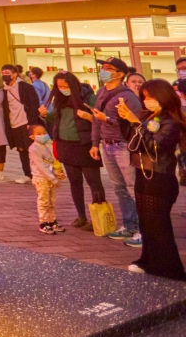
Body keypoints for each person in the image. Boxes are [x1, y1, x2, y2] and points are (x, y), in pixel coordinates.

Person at [117, 79, 186, 280]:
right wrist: (125, 119)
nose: (147, 101)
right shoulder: (147, 116)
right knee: (147, 223)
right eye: (145, 97)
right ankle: (148, 261)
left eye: (151, 97)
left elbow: (156, 146)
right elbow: (133, 141)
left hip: (160, 177)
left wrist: (136, 122)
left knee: (159, 225)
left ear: (163, 97)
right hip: (143, 172)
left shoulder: (172, 121)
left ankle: (170, 270)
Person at [41, 71, 107, 229]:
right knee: (74, 182)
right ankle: (81, 216)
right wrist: (45, 115)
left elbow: (99, 118)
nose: (63, 88)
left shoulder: (87, 96)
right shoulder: (60, 98)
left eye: (65, 86)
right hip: (65, 144)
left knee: (93, 182)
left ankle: (99, 217)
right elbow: (57, 119)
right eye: (59, 86)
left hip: (84, 143)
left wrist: (88, 119)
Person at [90, 58, 145, 242]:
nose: (103, 71)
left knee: (132, 187)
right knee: (119, 188)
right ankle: (129, 226)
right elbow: (96, 119)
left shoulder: (128, 96)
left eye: (108, 69)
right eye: (103, 68)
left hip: (123, 145)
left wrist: (107, 119)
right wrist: (94, 143)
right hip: (107, 145)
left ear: (120, 74)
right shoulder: (102, 91)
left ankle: (144, 230)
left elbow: (136, 124)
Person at [1, 64, 43, 183]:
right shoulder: (4, 89)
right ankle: (27, 174)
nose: (5, 76)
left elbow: (34, 104)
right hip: (13, 124)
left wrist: (31, 122)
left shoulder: (26, 87)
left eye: (7, 73)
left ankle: (39, 173)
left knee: (32, 149)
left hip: (26, 123)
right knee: (21, 150)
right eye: (3, 73)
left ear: (15, 74)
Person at [29, 123, 67, 234]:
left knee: (51, 201)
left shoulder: (44, 147)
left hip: (49, 178)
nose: (43, 135)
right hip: (41, 178)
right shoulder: (34, 148)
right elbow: (41, 166)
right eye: (39, 134)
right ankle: (43, 222)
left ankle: (52, 220)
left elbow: (50, 162)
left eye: (44, 133)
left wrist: (56, 173)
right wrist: (53, 178)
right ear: (32, 137)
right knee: (43, 201)